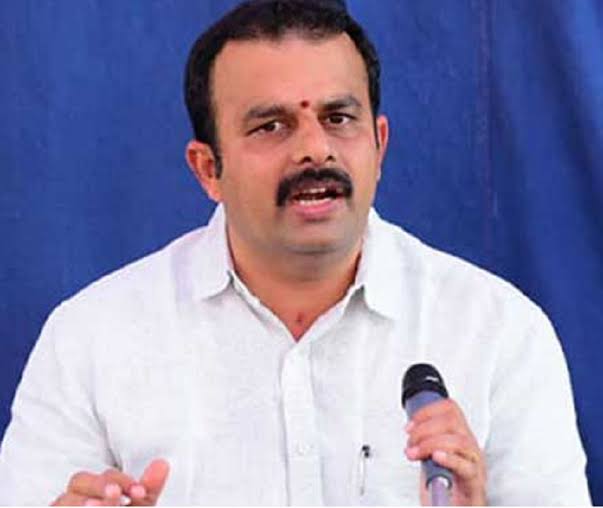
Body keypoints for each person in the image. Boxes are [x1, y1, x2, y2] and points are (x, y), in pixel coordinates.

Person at [0, 0, 590, 505]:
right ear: (208, 169)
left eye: (339, 118)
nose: (315, 149)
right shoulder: (90, 339)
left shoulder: (499, 332)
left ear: (379, 145)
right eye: (271, 126)